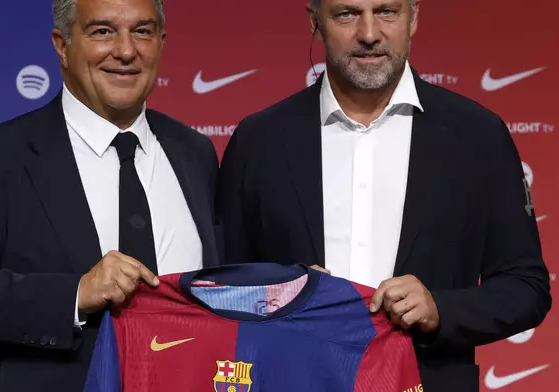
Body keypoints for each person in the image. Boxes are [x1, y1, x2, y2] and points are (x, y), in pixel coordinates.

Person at [215, 0, 552, 391]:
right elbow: (221, 285)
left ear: (414, 17)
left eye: (387, 11)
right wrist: (282, 292)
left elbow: (525, 288)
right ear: (314, 22)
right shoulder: (259, 140)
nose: (370, 34)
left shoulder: (479, 136)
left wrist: (439, 309)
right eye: (347, 14)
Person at [0, 0, 220, 391]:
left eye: (143, 31)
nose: (126, 51)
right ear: (62, 45)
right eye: (102, 31)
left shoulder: (195, 152)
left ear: (162, 42)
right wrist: (77, 293)